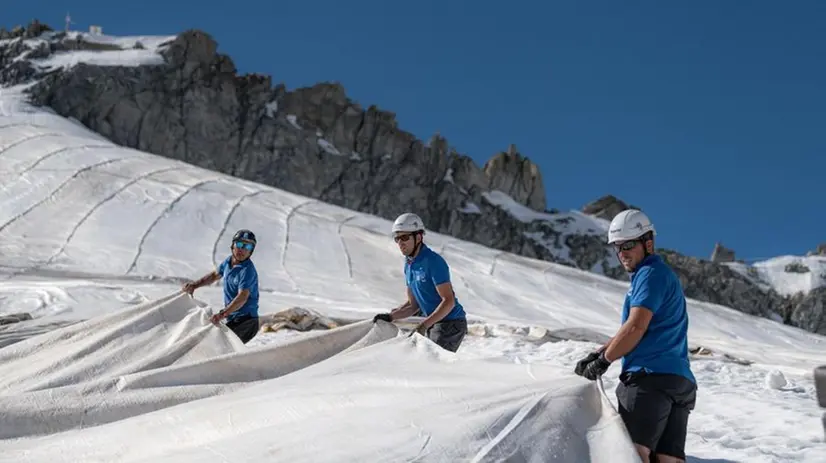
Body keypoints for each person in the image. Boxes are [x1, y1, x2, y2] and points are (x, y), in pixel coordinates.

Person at [574, 209, 697, 463]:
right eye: (617, 248)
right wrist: (600, 351)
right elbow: (636, 328)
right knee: (667, 459)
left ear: (647, 243)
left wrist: (604, 360)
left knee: (632, 455)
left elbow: (635, 327)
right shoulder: (664, 276)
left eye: (628, 245)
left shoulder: (649, 274)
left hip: (649, 380)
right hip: (679, 383)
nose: (622, 253)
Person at [372, 212, 468, 352]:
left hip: (450, 323)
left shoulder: (433, 261)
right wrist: (390, 316)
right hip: (433, 322)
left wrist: (424, 325)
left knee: (431, 363)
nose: (400, 243)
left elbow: (448, 301)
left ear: (418, 237)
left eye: (404, 237)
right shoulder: (409, 264)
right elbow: (413, 305)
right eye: (397, 239)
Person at [182, 229, 261, 344]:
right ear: (232, 246)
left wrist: (222, 314)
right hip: (233, 318)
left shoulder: (247, 270)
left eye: (247, 247)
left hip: (247, 321)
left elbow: (242, 297)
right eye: (239, 244)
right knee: (217, 345)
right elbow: (214, 275)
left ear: (251, 252)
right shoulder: (228, 262)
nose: (242, 249)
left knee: (219, 346)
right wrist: (195, 285)